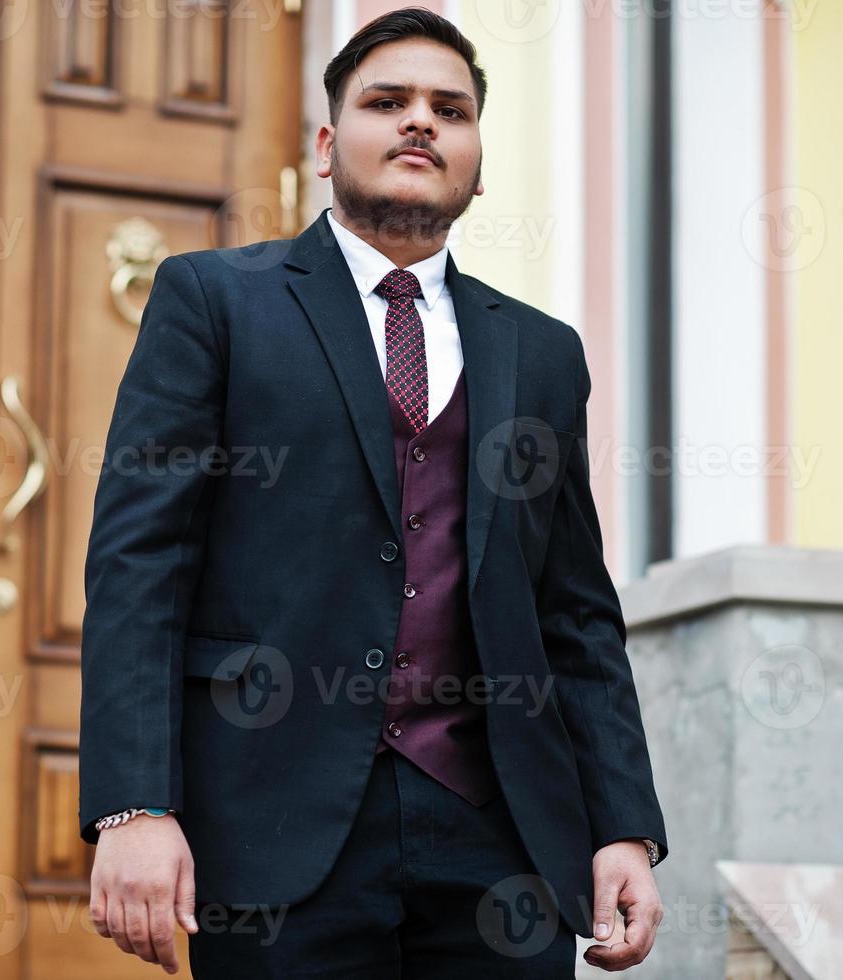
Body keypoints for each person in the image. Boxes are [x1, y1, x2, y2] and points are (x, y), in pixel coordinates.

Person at [78, 8, 667, 977]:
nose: (421, 123)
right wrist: (136, 803)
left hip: (500, 839)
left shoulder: (542, 352)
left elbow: (573, 608)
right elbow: (141, 564)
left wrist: (623, 825)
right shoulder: (215, 302)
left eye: (452, 109)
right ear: (325, 143)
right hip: (274, 825)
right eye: (387, 101)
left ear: (480, 158)